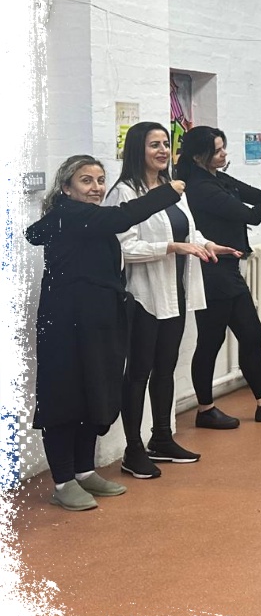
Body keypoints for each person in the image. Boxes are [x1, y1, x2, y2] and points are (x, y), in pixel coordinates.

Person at [27, 154, 182, 510]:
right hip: (65, 325)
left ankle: (84, 471)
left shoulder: (86, 218)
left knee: (92, 393)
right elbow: (123, 216)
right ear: (66, 188)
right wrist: (168, 191)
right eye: (86, 181)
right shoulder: (70, 214)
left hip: (96, 322)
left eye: (100, 180)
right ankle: (63, 481)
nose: (96, 188)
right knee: (64, 398)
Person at [105, 122, 240, 478]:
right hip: (143, 296)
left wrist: (208, 245)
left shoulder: (172, 188)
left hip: (175, 293)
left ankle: (162, 438)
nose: (163, 150)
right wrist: (171, 247)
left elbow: (188, 231)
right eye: (155, 145)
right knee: (138, 373)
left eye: (166, 143)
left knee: (165, 368)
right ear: (138, 149)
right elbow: (124, 248)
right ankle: (132, 450)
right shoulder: (124, 193)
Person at [177, 126, 261, 428]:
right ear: (198, 156)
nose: (224, 154)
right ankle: (205, 409)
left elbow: (257, 196)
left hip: (228, 269)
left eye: (223, 148)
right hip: (212, 270)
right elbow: (252, 215)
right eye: (217, 150)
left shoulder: (217, 178)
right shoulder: (200, 187)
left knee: (251, 333)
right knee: (211, 340)